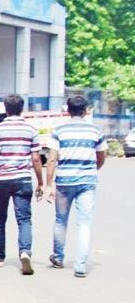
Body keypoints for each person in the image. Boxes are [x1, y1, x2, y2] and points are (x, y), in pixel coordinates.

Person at [0, 93, 43, 274]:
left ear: (5, 109)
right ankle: (25, 252)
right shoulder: (31, 129)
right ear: (21, 108)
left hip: (1, 180)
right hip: (23, 178)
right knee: (24, 219)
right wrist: (40, 182)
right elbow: (36, 159)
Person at [43, 95, 106, 277]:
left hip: (64, 181)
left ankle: (58, 257)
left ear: (68, 110)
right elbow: (101, 156)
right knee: (84, 223)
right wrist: (93, 169)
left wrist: (48, 185)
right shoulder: (96, 130)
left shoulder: (59, 130)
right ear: (86, 110)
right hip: (87, 181)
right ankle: (80, 265)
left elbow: (52, 158)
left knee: (61, 220)